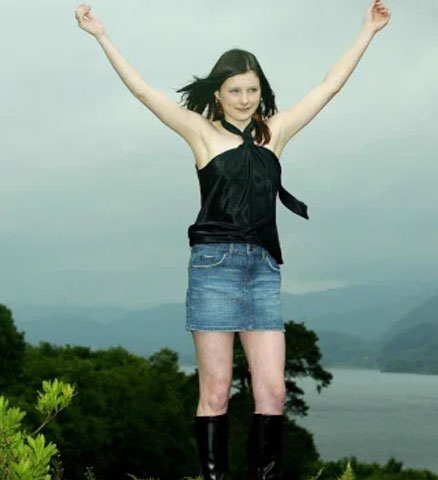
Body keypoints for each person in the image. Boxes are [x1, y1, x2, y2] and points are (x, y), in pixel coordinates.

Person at [74, 2, 391, 479]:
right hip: (214, 268)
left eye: (252, 89)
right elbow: (143, 91)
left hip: (263, 270)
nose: (244, 99)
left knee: (274, 392)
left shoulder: (274, 133)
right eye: (235, 90)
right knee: (217, 391)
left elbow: (329, 86)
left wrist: (368, 29)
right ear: (218, 94)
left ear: (261, 91)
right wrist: (101, 35)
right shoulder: (200, 132)